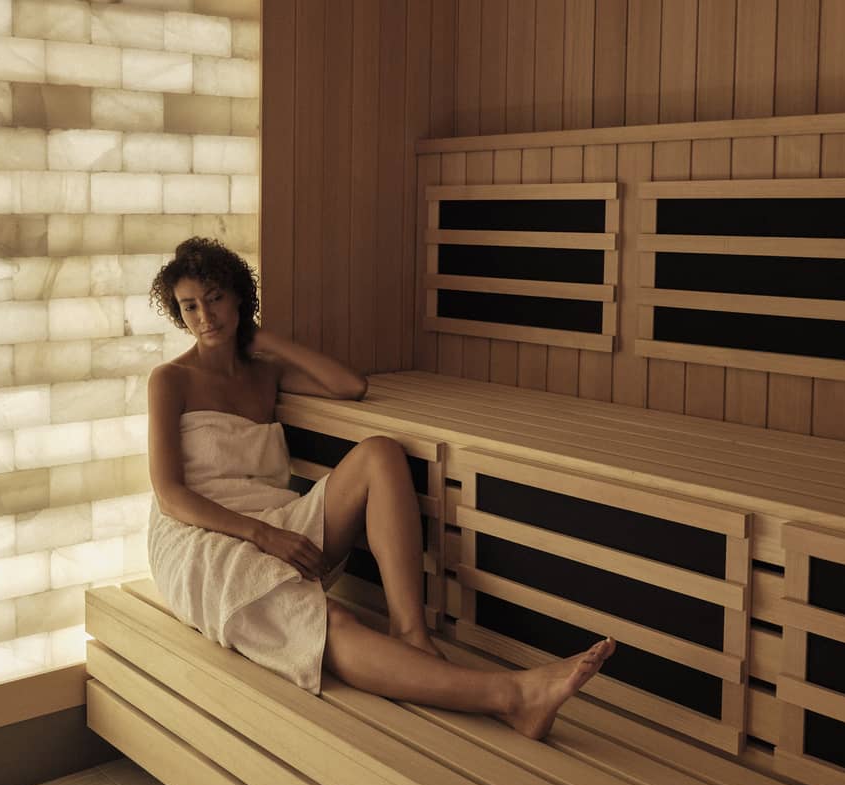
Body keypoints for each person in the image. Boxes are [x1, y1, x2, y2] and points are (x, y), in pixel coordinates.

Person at [144, 237, 614, 739]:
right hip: (203, 539)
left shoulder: (263, 375)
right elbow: (170, 495)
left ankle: (410, 630)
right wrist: (262, 536)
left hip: (276, 518)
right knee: (331, 621)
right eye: (189, 306)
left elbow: (350, 386)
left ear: (238, 296)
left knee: (381, 453)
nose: (204, 317)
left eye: (214, 298)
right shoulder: (170, 380)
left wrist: (268, 341)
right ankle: (513, 697)